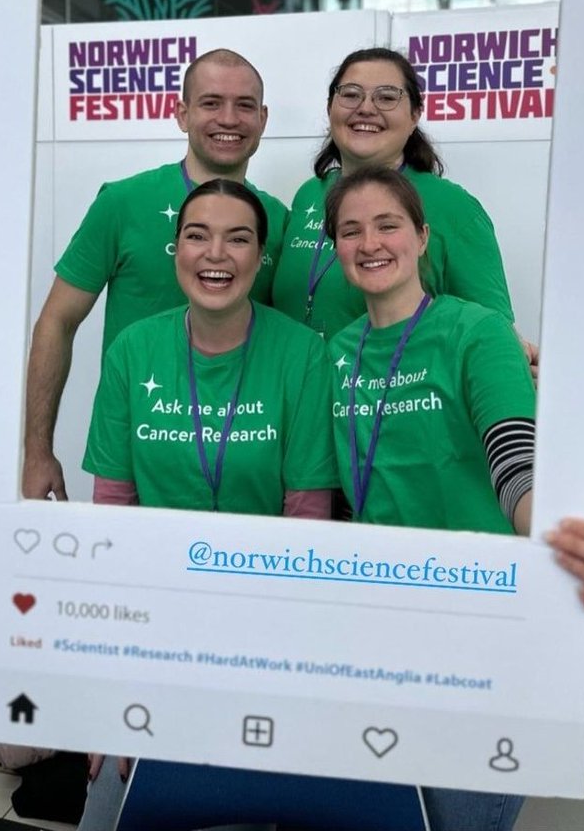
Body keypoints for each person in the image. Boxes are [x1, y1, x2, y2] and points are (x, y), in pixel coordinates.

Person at [323, 164, 584, 831]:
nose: (370, 243)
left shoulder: (477, 332)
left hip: (482, 618)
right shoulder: (336, 354)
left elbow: (513, 456)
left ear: (423, 237)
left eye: (388, 225)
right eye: (350, 230)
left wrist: (550, 529)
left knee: (455, 817)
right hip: (382, 616)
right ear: (335, 246)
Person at [78, 178, 338, 830]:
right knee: (112, 806)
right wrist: (115, 686)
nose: (215, 253)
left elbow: (305, 525)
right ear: (176, 250)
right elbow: (111, 522)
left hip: (263, 625)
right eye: (197, 234)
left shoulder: (303, 354)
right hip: (153, 624)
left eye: (238, 237)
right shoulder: (133, 350)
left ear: (260, 256)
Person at [23, 48, 288, 501]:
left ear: (263, 119)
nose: (229, 118)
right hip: (133, 466)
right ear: (181, 113)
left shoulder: (278, 221)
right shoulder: (122, 203)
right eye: (210, 103)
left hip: (244, 465)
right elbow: (57, 321)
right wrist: (37, 452)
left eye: (245, 105)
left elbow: (286, 350)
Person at [273, 47, 532, 353]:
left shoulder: (453, 207)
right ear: (330, 107)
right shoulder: (309, 194)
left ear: (414, 115)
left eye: (386, 97)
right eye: (351, 94)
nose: (366, 108)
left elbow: (493, 334)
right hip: (302, 391)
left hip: (396, 396)